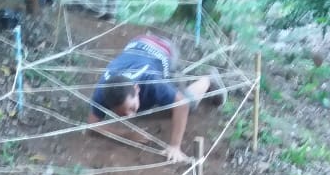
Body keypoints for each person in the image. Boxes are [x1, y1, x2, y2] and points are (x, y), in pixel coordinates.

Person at [87, 33, 226, 162]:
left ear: (136, 89)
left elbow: (181, 105)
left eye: (130, 108)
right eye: (121, 113)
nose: (129, 115)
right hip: (138, 44)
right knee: (145, 109)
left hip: (164, 49)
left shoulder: (151, 81)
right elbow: (92, 126)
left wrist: (175, 146)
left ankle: (208, 79)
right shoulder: (102, 92)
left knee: (187, 103)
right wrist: (127, 134)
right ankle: (176, 86)